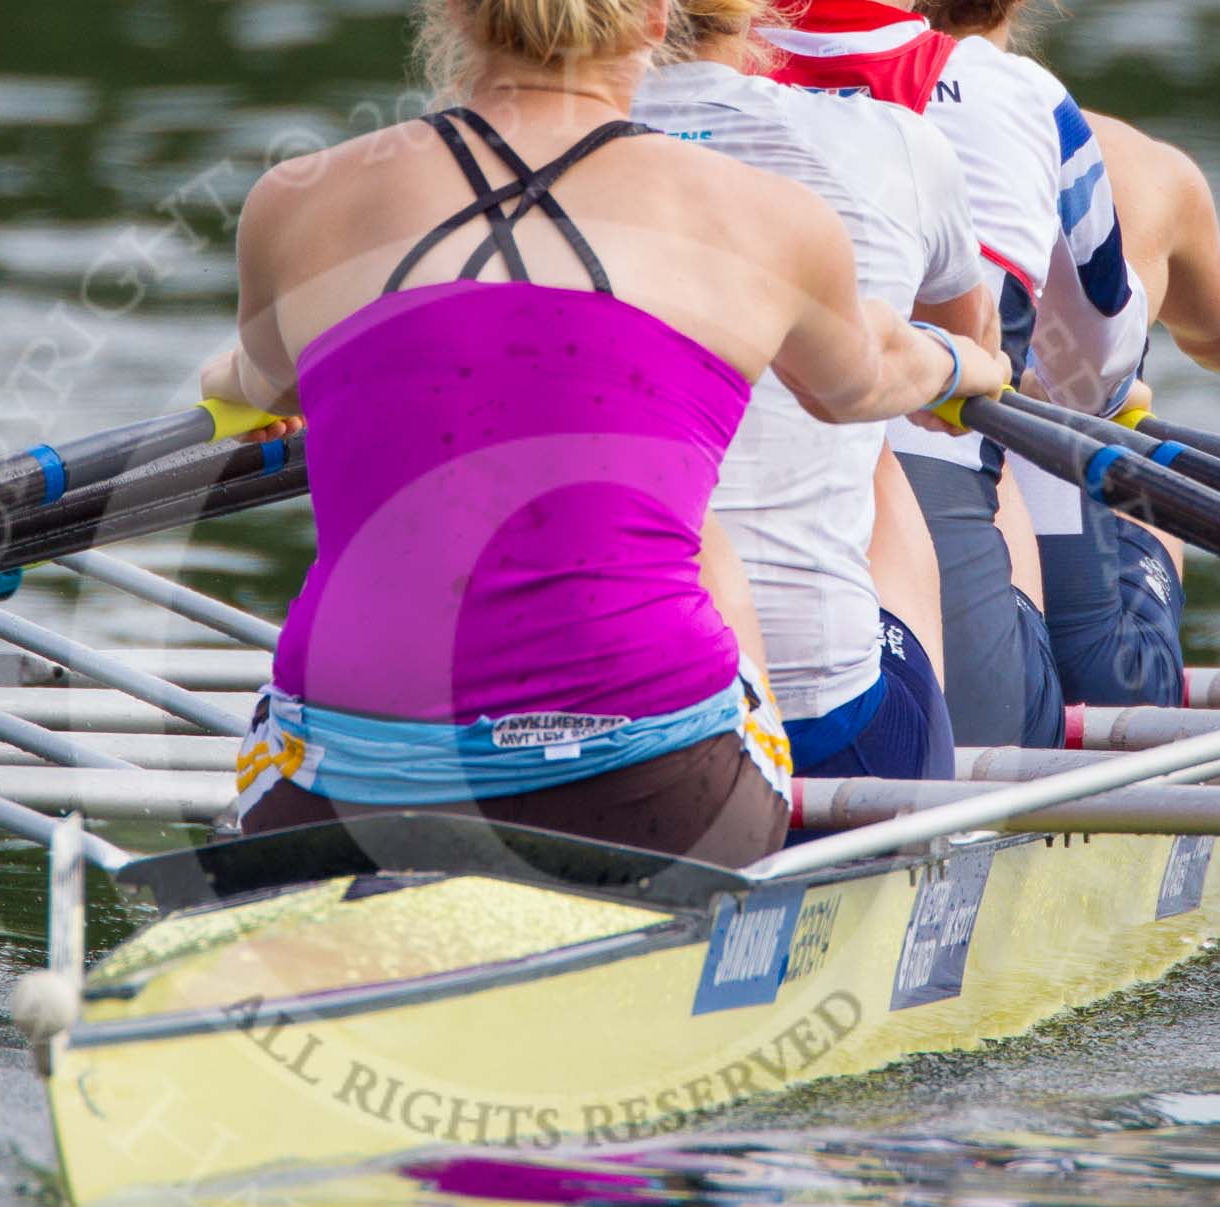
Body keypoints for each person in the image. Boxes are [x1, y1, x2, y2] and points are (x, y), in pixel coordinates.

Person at [198, 0, 1009, 866]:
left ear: (452, 14)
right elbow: (866, 384)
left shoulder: (291, 203)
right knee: (698, 538)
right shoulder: (770, 216)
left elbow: (250, 381)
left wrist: (239, 388)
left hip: (339, 794)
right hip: (651, 798)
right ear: (659, 21)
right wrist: (971, 368)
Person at [765, 0, 1169, 732]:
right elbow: (1095, 371)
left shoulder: (702, 91)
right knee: (1096, 416)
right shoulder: (1024, 101)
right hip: (958, 695)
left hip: (719, 628)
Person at [631, 0, 998, 783]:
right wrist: (968, 369)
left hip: (581, 707)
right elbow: (955, 379)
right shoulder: (893, 142)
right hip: (823, 733)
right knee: (875, 430)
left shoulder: (502, 167)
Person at [1069, 109, 1220, 576]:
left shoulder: (892, 135)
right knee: (1147, 481)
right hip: (1069, 571)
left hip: (929, 543)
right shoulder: (1124, 157)